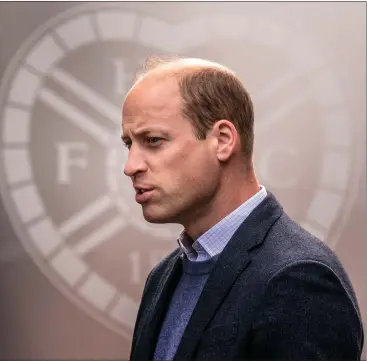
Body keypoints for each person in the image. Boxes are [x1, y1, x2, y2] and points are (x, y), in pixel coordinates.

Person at [121, 56, 364, 360]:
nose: (130, 166)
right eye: (129, 144)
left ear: (223, 140)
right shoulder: (163, 277)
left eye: (153, 140)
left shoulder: (298, 279)